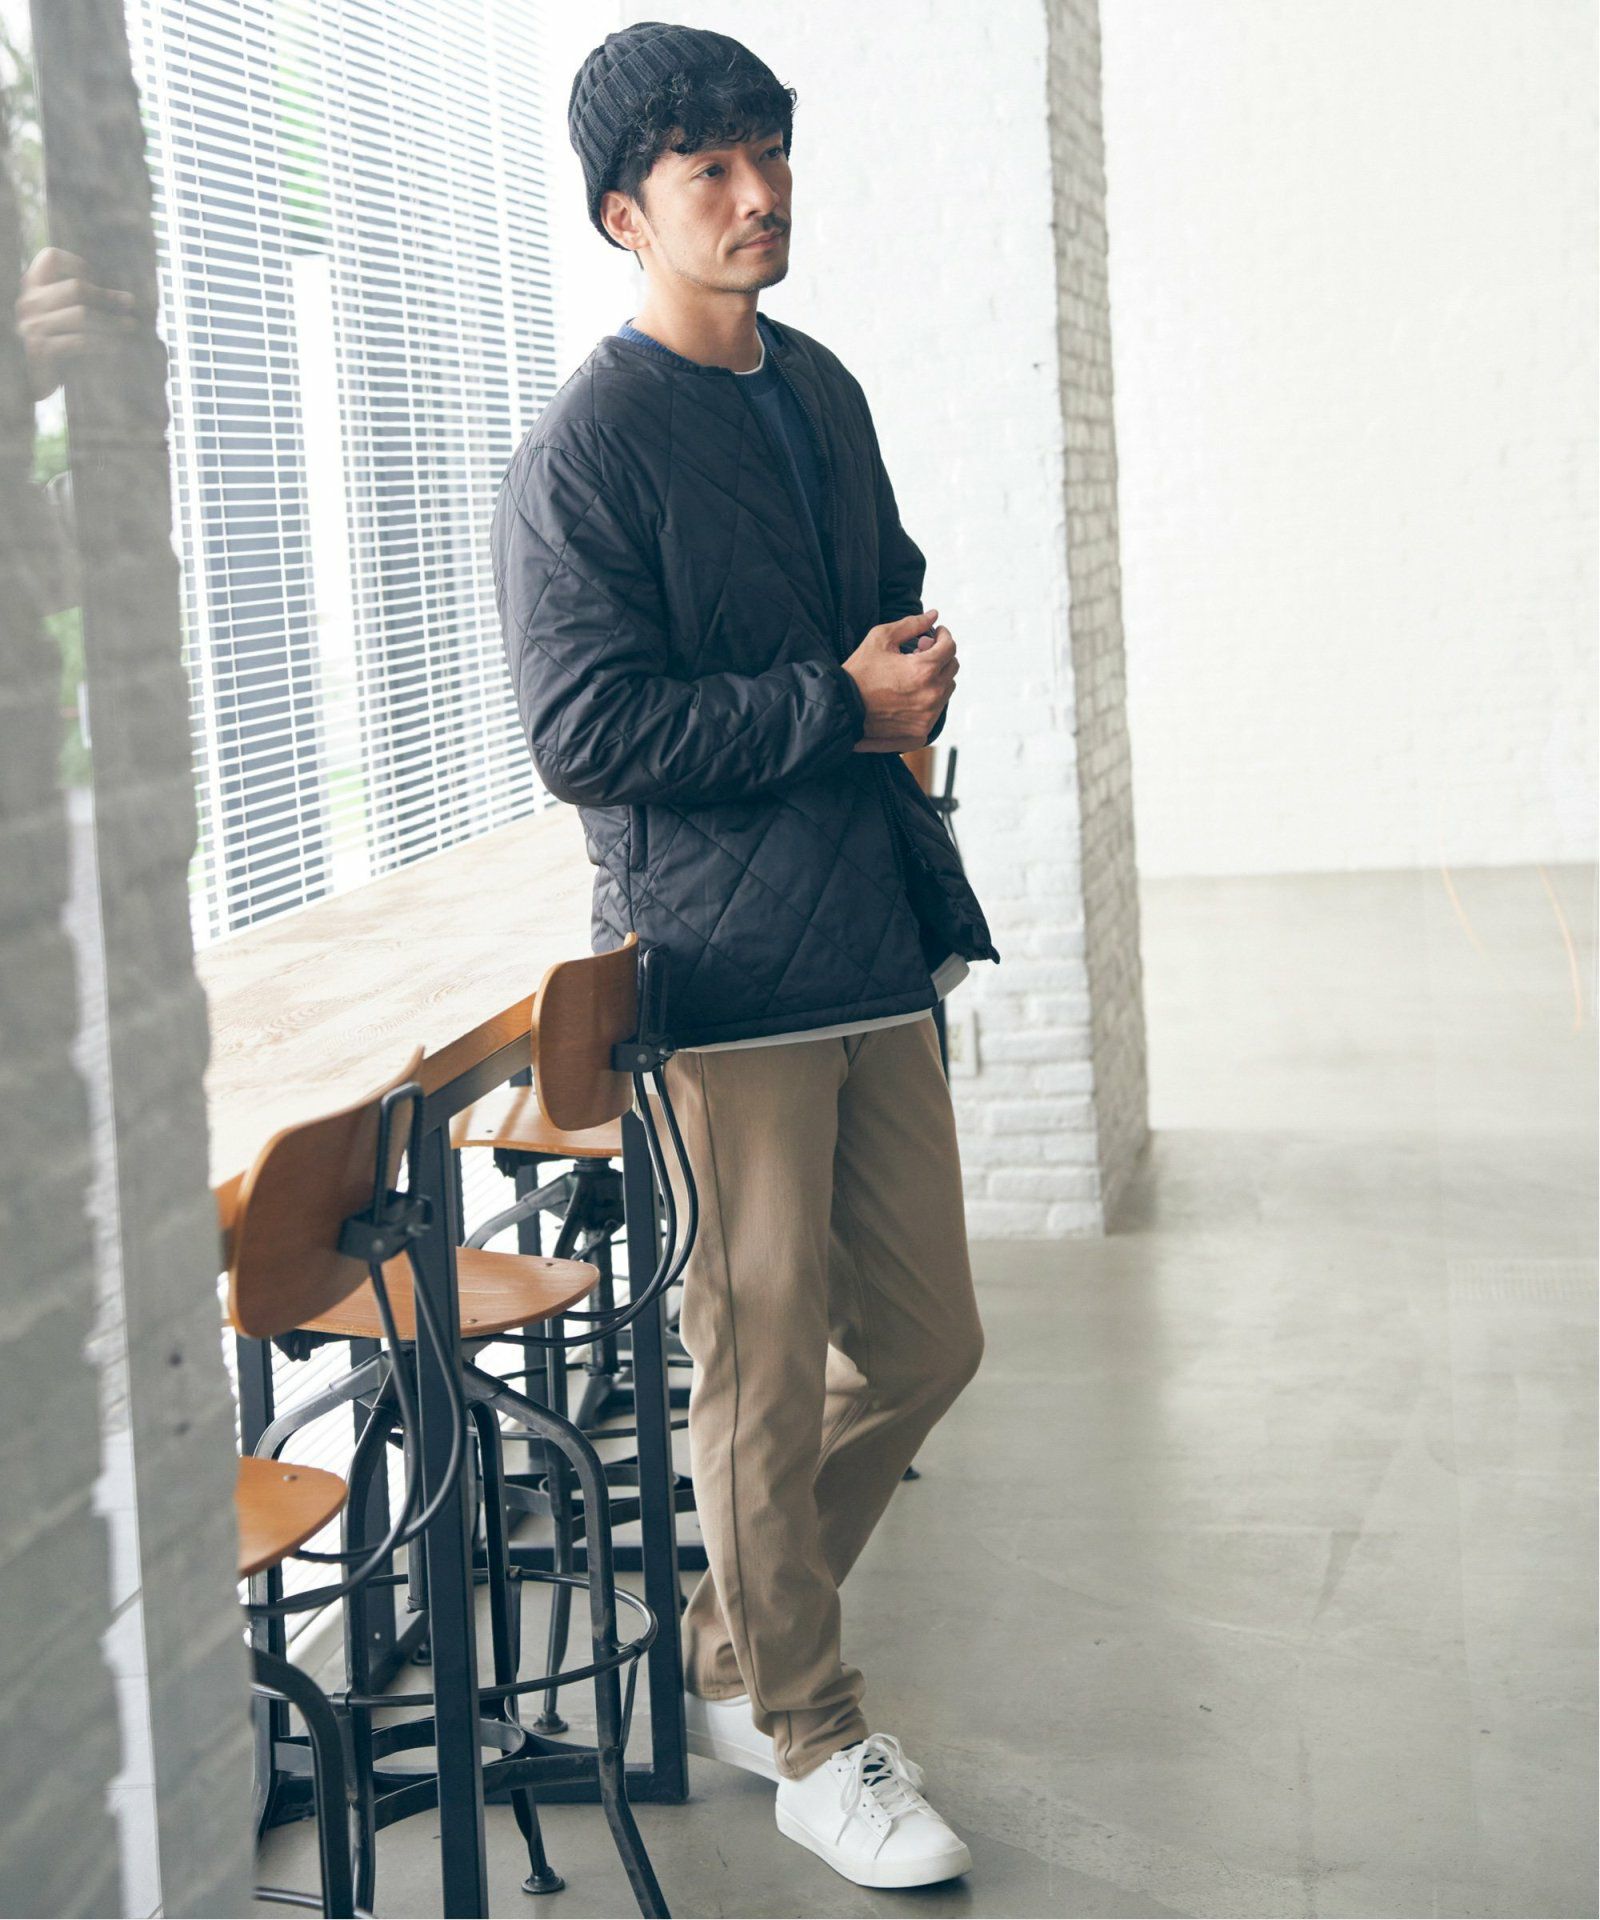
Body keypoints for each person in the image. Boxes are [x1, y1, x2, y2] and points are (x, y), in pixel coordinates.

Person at [492, 21, 1001, 1892]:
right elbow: (584, 733)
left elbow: (880, 587)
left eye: (768, 152)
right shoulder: (583, 450)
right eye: (708, 167)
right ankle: (806, 1729)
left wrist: (909, 664)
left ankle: (728, 1642)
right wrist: (834, 705)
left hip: (868, 941)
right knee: (759, 1368)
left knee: (929, 1342)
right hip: (716, 975)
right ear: (625, 214)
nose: (757, 191)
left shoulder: (823, 388)